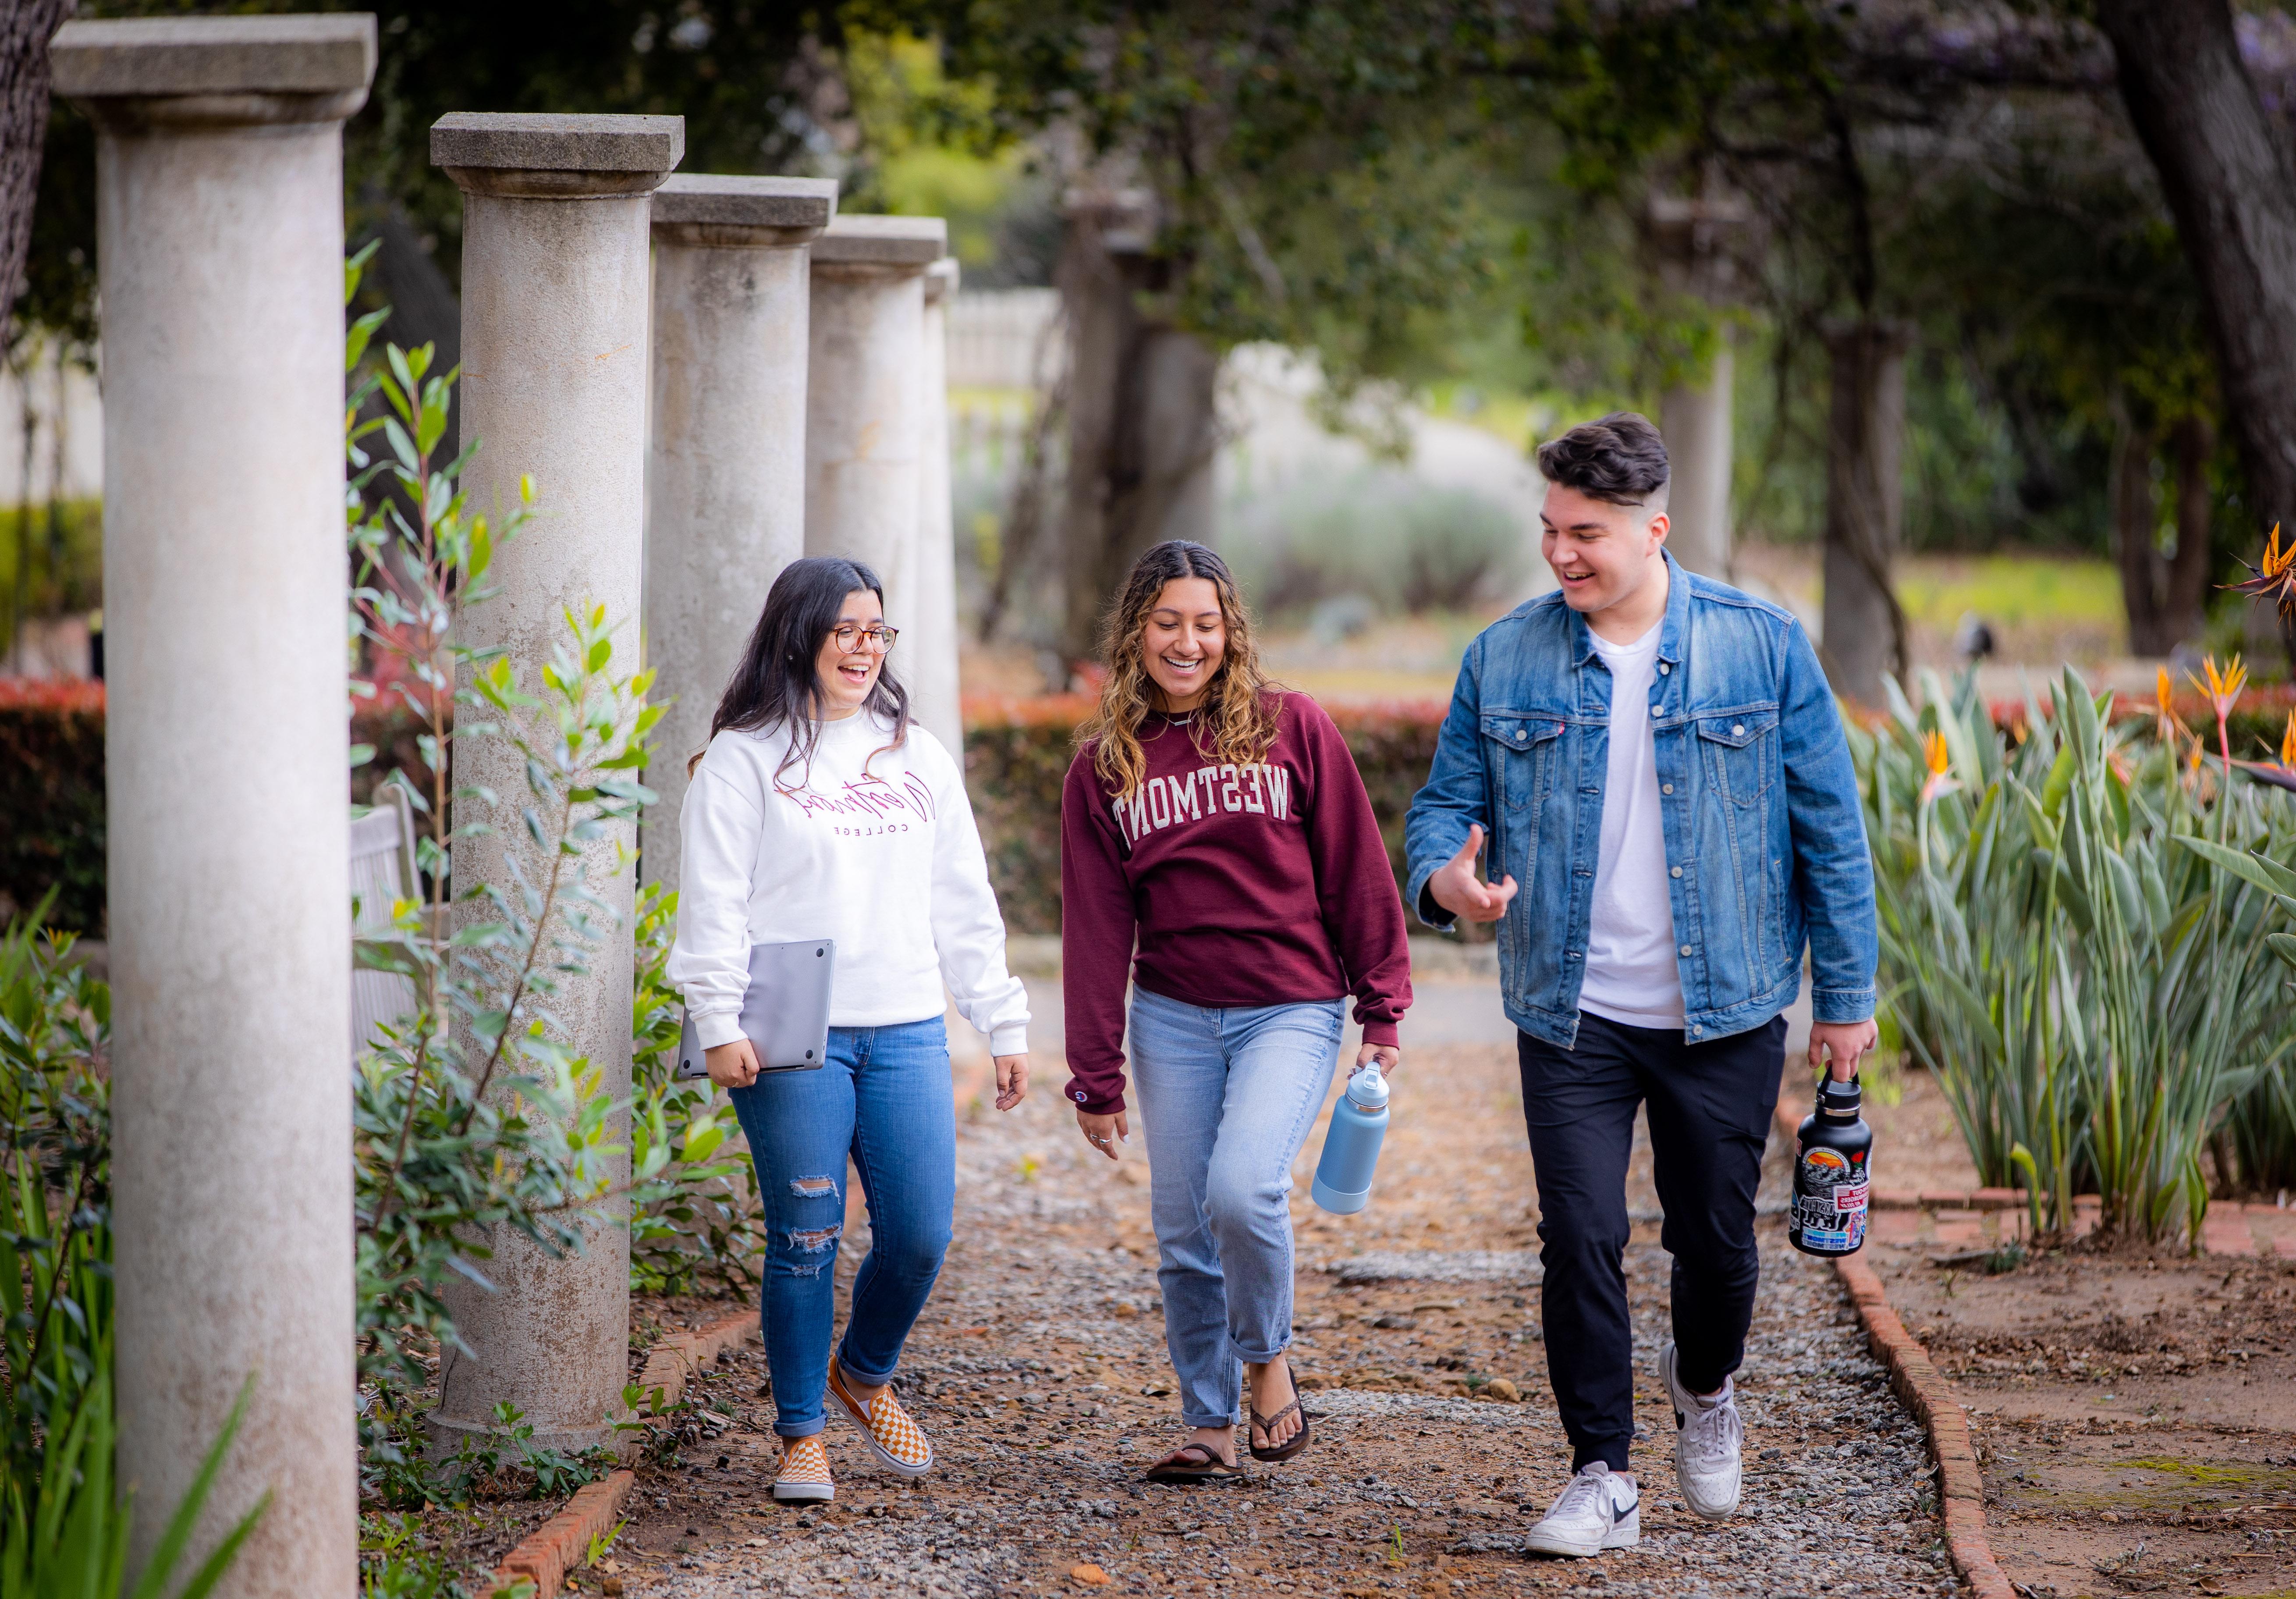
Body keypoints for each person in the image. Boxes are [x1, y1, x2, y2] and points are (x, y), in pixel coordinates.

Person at [1403, 413, 1878, 1556]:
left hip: (1725, 1010)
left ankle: (1705, 1386)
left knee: (1715, 1243)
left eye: (1589, 534)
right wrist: (1446, 884)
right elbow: (1438, 814)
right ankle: (1600, 1473)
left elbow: (1831, 827)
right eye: (1551, 530)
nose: (1562, 554)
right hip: (1570, 1010)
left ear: (1655, 529)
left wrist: (1847, 998)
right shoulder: (1503, 655)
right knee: (1577, 1232)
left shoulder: (1761, 645)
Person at [668, 556, 1032, 1504]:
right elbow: (713, 902)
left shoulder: (917, 753)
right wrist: (714, 1018)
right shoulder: (744, 757)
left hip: (908, 1023)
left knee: (919, 1235)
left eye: (879, 631)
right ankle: (801, 1435)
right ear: (800, 635)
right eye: (847, 630)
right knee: (806, 1237)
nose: (866, 649)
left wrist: (1000, 1018)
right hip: (794, 1033)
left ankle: (862, 1374)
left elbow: (963, 900)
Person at [1061, 540, 1412, 1483]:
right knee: (1183, 1227)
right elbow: (1097, 933)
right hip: (1172, 1016)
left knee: (1242, 1189)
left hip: (1288, 1010)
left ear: (1231, 631)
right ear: (1137, 631)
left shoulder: (1291, 727)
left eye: (1205, 624)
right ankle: (1207, 1422)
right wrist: (1094, 1073)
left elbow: (1357, 872)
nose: (1187, 642)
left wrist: (1382, 1012)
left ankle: (1267, 1364)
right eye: (1168, 622)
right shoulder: (1104, 767)